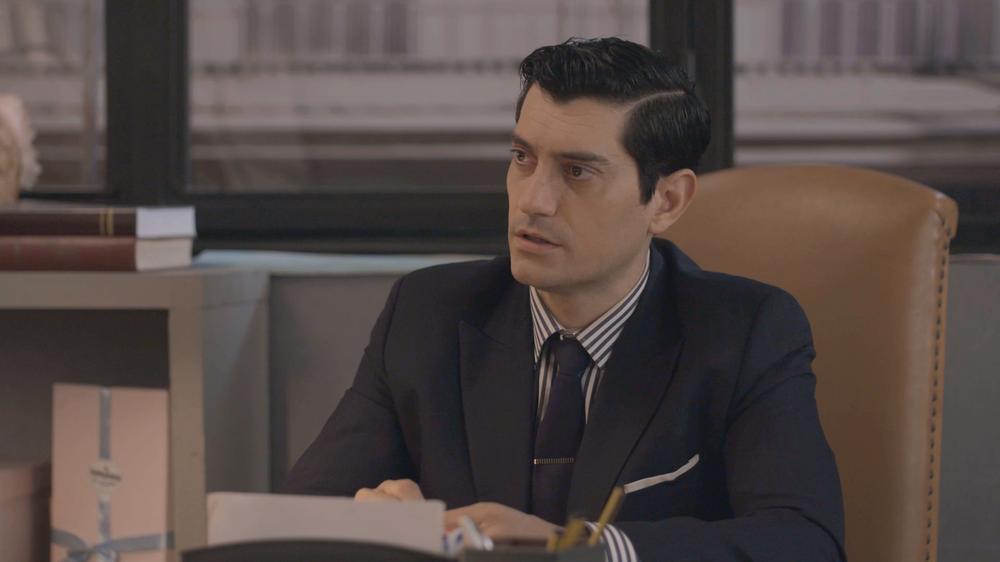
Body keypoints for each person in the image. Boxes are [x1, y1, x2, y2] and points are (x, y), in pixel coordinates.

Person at [283, 37, 845, 562]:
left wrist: (577, 548)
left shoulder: (744, 333)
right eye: (522, 158)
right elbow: (297, 521)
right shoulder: (427, 312)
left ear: (667, 201)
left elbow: (803, 541)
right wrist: (380, 526)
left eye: (577, 172)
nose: (534, 200)